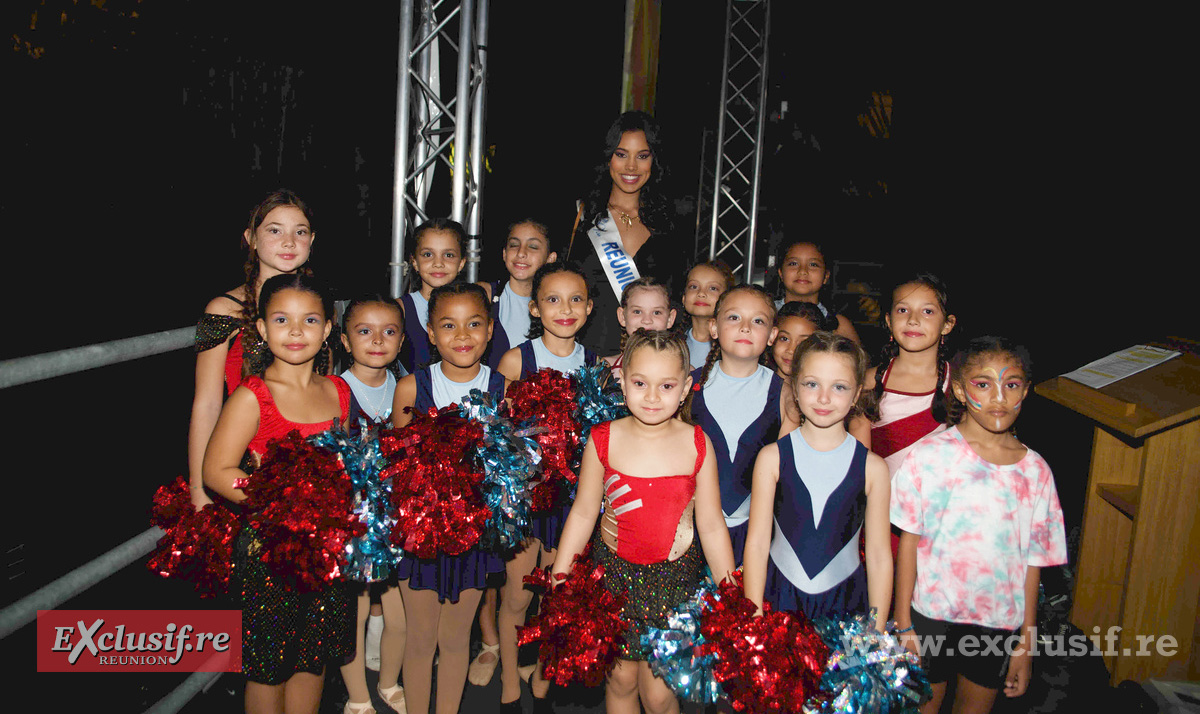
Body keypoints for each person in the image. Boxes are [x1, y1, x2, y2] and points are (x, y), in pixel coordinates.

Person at [551, 329, 736, 714]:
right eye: (640, 383)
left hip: (675, 584)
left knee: (659, 692)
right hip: (612, 579)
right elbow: (585, 511)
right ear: (622, 381)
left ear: (686, 387)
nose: (652, 396)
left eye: (666, 385)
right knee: (618, 679)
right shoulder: (603, 438)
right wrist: (560, 574)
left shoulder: (698, 443)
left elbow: (713, 525)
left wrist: (730, 592)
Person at [202, 272, 354, 714]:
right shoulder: (254, 395)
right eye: (282, 320)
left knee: (313, 658)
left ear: (327, 330)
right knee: (268, 667)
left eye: (310, 321)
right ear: (263, 330)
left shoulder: (338, 391)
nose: (295, 331)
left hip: (327, 550)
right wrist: (281, 502)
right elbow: (216, 470)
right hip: (270, 552)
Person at [892, 336, 1067, 714]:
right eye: (983, 384)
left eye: (1012, 384)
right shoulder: (931, 455)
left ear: (1027, 390)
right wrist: (904, 623)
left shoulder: (1036, 472)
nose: (998, 398)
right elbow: (909, 541)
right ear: (958, 388)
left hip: (996, 622)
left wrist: (1027, 642)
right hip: (931, 614)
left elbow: (1033, 560)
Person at [390, 282, 506, 714]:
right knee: (421, 639)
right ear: (430, 332)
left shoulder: (505, 390)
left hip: (475, 541)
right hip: (417, 539)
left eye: (474, 324)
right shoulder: (409, 388)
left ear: (490, 329)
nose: (462, 335)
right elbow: (394, 471)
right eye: (448, 325)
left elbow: (514, 472)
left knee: (457, 639)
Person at [493, 260, 599, 711]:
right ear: (535, 308)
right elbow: (494, 436)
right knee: (517, 597)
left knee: (556, 598)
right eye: (553, 299)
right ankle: (509, 685)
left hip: (573, 502)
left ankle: (541, 677)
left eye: (576, 299)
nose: (565, 309)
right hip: (526, 499)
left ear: (590, 308)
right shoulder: (518, 359)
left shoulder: (595, 364)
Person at [743, 332, 891, 630]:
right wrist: (754, 616)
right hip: (779, 598)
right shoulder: (772, 458)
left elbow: (878, 555)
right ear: (795, 389)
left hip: (846, 603)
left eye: (839, 387)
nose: (824, 398)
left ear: (857, 393)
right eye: (812, 384)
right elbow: (757, 543)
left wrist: (877, 630)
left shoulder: (873, 468)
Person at [189, 189, 317, 510]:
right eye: (274, 230)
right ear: (251, 238)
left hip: (307, 473)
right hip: (240, 470)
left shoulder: (319, 308)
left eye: (299, 232)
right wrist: (198, 493)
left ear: (311, 241)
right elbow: (206, 404)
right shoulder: (224, 309)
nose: (289, 241)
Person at [687, 285, 797, 565]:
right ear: (714, 328)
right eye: (734, 318)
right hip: (688, 530)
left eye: (758, 321)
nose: (745, 328)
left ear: (772, 335)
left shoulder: (785, 394)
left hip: (755, 532)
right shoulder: (687, 386)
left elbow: (786, 477)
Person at [337, 295, 407, 714]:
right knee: (354, 614)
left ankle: (388, 682)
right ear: (345, 340)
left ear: (402, 341)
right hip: (352, 524)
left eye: (389, 331)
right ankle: (357, 698)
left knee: (400, 616)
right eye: (364, 331)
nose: (377, 340)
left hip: (395, 523)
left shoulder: (408, 388)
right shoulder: (335, 391)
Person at [566, 111, 684, 356]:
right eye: (621, 155)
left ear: (654, 160)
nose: (631, 166)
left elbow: (676, 302)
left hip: (648, 363)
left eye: (642, 156)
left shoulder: (669, 226)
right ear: (608, 157)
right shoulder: (581, 217)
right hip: (584, 363)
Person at [865, 274, 957, 474]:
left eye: (927, 311)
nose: (913, 320)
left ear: (947, 325)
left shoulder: (959, 384)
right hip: (883, 500)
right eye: (903, 310)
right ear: (889, 320)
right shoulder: (869, 381)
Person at [480, 218, 557, 371]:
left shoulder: (560, 306)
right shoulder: (484, 296)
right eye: (514, 245)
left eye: (533, 246)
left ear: (550, 258)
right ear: (504, 253)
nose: (521, 253)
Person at [398, 217, 467, 374]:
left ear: (461, 263)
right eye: (428, 254)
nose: (438, 263)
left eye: (448, 255)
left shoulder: (475, 307)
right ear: (414, 262)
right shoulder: (400, 310)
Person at [774, 240, 860, 344]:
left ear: (826, 276)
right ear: (781, 273)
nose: (803, 271)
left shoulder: (838, 325)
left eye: (813, 264)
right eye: (793, 263)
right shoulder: (766, 314)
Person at [604, 276, 678, 380]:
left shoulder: (685, 370)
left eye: (656, 312)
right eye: (637, 312)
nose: (647, 320)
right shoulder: (605, 369)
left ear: (670, 318)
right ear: (622, 316)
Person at [680, 262, 734, 370]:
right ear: (684, 298)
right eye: (694, 286)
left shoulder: (733, 347)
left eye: (713, 288)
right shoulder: (672, 342)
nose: (701, 293)